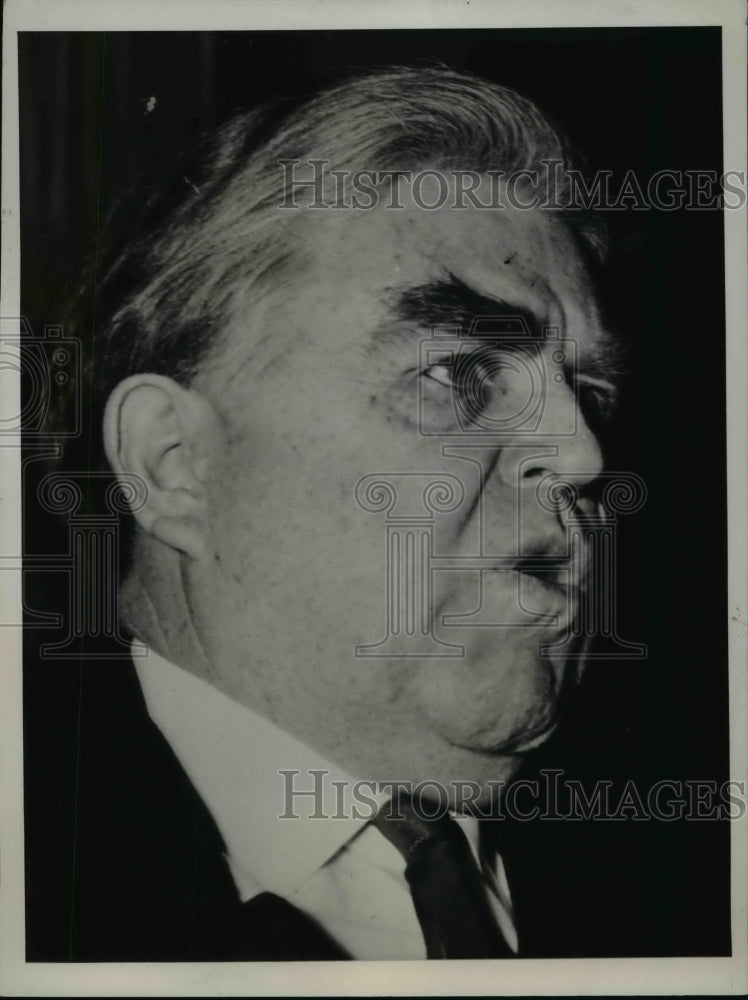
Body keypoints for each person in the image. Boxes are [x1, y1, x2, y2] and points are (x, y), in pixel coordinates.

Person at [25, 65, 622, 961]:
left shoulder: (664, 881)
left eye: (593, 392)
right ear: (174, 462)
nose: (582, 454)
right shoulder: (45, 884)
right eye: (456, 373)